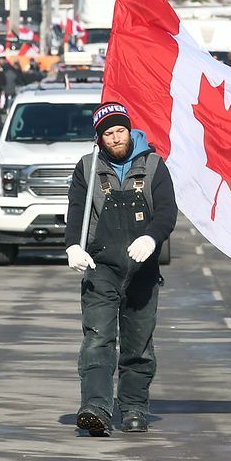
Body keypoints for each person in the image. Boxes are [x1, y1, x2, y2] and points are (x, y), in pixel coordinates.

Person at [65, 102, 177, 437]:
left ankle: (134, 408)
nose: (115, 138)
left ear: (129, 130)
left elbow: (168, 213)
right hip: (101, 268)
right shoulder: (88, 167)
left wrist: (152, 239)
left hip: (143, 269)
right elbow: (75, 209)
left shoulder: (154, 166)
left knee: (138, 344)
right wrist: (73, 245)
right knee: (98, 339)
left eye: (120, 131)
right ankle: (96, 408)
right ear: (99, 139)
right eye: (108, 134)